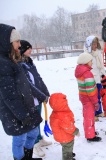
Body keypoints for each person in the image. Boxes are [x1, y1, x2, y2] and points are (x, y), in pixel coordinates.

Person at [0, 23, 42, 160]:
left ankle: (27, 156)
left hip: (25, 106)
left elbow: (25, 84)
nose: (19, 45)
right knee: (19, 138)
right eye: (17, 41)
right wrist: (22, 115)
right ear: (7, 43)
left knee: (33, 132)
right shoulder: (3, 64)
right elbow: (9, 95)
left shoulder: (11, 60)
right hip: (14, 111)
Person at [19, 40, 52, 157]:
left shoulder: (29, 62)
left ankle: (39, 138)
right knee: (33, 123)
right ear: (22, 50)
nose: (30, 50)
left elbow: (38, 79)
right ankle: (34, 144)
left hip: (37, 98)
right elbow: (28, 85)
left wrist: (45, 92)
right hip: (29, 100)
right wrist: (41, 95)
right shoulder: (19, 65)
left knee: (38, 120)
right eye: (28, 48)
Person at [74, 52, 102, 142]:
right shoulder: (87, 74)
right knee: (89, 117)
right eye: (90, 61)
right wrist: (95, 101)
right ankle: (90, 136)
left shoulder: (80, 71)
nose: (92, 62)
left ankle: (91, 131)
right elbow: (90, 90)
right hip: (89, 98)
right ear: (86, 62)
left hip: (83, 97)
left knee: (87, 116)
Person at [49, 93, 80, 160]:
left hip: (60, 135)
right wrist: (76, 131)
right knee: (68, 147)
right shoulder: (62, 116)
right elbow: (69, 127)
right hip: (66, 137)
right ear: (61, 103)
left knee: (66, 147)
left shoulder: (56, 112)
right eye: (64, 100)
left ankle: (68, 153)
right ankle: (68, 157)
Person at [84, 35, 106, 121]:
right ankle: (92, 113)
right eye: (93, 44)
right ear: (89, 44)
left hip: (98, 78)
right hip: (90, 79)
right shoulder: (86, 54)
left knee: (98, 96)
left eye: (96, 44)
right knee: (91, 98)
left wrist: (103, 75)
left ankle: (98, 111)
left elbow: (101, 66)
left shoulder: (98, 52)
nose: (95, 46)